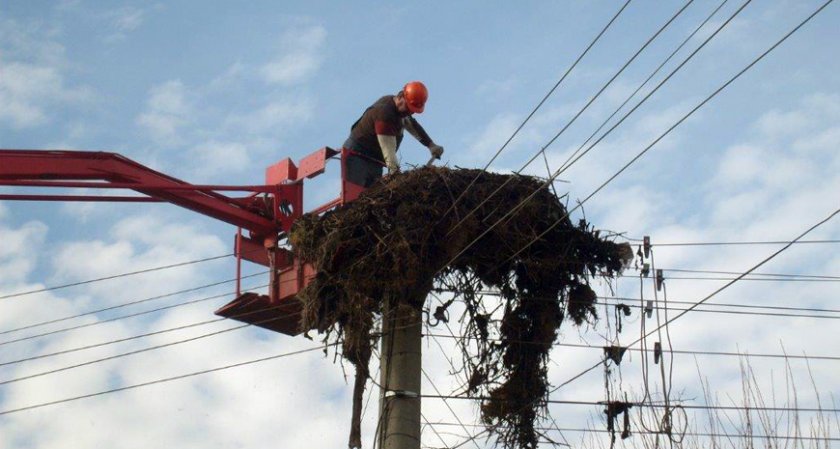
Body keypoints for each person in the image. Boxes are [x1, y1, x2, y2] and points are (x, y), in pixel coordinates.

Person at [342, 81, 444, 187]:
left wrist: (431, 145)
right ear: (401, 98)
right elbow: (388, 151)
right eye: (409, 108)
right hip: (356, 155)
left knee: (370, 197)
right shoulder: (384, 113)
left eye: (413, 111)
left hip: (375, 160)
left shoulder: (401, 110)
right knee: (354, 196)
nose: (411, 112)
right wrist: (396, 176)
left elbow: (413, 126)